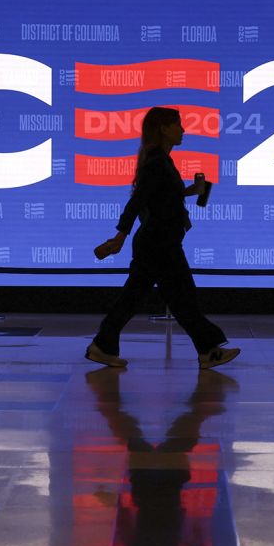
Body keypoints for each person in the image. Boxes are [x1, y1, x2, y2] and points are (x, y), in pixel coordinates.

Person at [87, 106, 240, 370]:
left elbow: (163, 198)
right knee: (182, 299)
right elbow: (137, 202)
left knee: (139, 298)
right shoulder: (157, 163)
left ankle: (103, 345)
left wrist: (194, 190)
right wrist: (120, 235)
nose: (183, 130)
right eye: (177, 124)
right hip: (159, 244)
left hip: (159, 242)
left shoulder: (162, 161)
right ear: (163, 128)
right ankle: (208, 350)